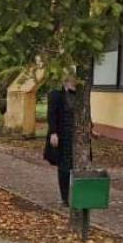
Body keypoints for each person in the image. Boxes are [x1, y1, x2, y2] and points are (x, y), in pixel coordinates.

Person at [44, 75, 78, 205]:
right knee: (64, 166)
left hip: (77, 135)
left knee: (78, 164)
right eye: (72, 80)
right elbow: (51, 114)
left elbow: (85, 114)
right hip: (63, 135)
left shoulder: (80, 95)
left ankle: (77, 193)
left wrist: (91, 130)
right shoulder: (56, 94)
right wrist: (53, 133)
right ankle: (65, 197)